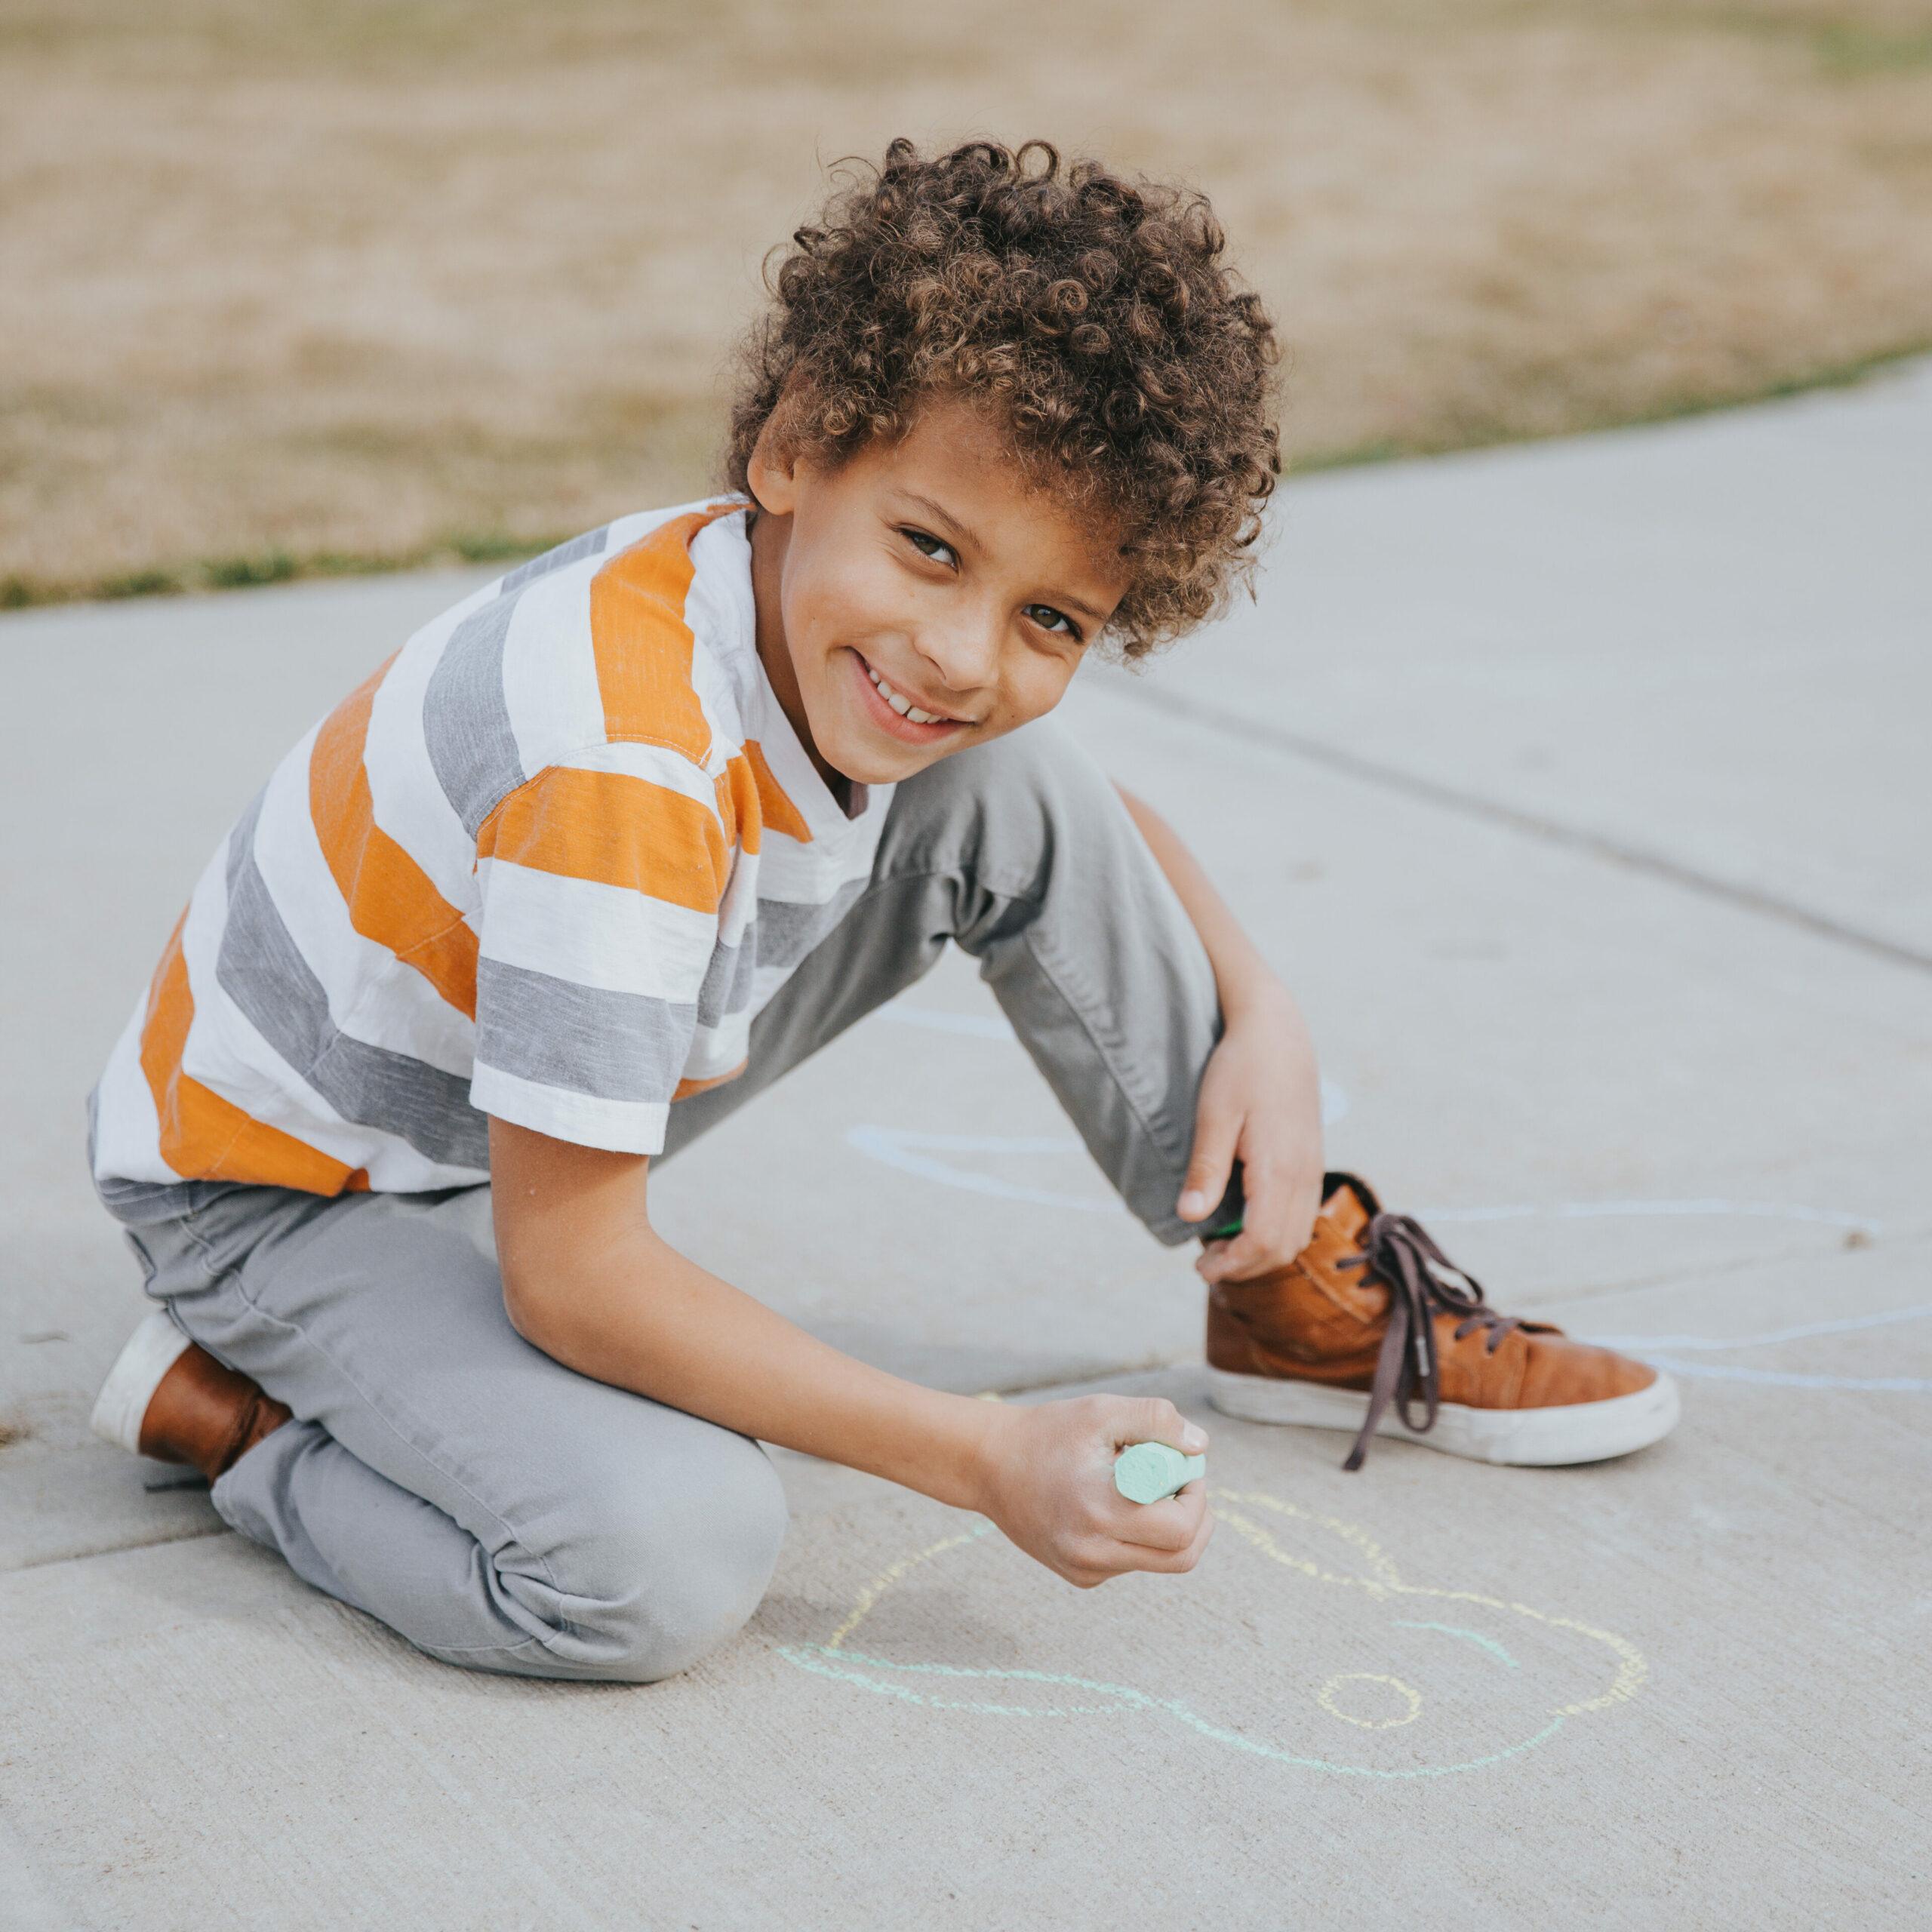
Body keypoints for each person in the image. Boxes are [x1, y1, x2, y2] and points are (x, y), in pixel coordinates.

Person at [85, 140, 1678, 1686]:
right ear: (792, 447)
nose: (965, 656)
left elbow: (1074, 811)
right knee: (658, 1556)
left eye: (1046, 615)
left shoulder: (777, 608)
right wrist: (984, 1454)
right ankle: (246, 1422)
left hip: (492, 1120)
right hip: (292, 1198)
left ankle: (1277, 1282)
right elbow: (568, 1273)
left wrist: (1256, 998)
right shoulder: (617, 761)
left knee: (1004, 789)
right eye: (931, 548)